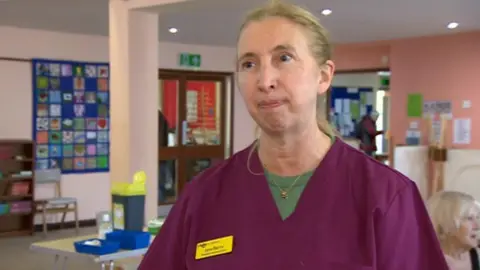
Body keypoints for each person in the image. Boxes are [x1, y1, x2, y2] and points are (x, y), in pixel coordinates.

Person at [139, 1, 448, 269]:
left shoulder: (386, 197)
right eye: (249, 64)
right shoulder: (203, 197)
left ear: (324, 76)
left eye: (283, 58)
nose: (265, 80)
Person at [426, 191, 480, 270]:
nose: (477, 226)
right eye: (469, 218)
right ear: (447, 223)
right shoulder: (427, 261)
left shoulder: (473, 254)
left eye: (477, 217)